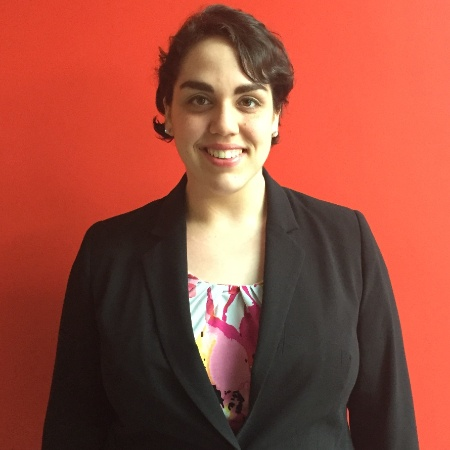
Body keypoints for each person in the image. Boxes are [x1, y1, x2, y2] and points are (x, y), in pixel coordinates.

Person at [42, 4, 419, 449]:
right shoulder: (107, 254)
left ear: (276, 114)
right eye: (200, 99)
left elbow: (387, 423)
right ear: (168, 109)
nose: (224, 123)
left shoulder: (346, 242)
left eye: (249, 100)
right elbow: (74, 430)